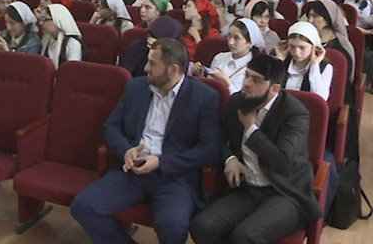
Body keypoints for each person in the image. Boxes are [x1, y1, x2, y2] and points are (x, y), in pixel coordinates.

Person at [72, 38, 220, 244]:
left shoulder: (204, 97)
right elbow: (111, 126)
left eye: (152, 63)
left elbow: (210, 150)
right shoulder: (136, 87)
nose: (145, 68)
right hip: (132, 170)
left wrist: (161, 162)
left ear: (172, 69)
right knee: (83, 206)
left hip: (174, 177)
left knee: (173, 226)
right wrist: (126, 150)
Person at [190, 54, 322, 244]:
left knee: (246, 236)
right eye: (246, 76)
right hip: (247, 188)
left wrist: (251, 129)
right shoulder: (237, 102)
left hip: (284, 192)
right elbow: (217, 138)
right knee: (201, 226)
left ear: (274, 88)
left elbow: (281, 160)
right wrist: (230, 159)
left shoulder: (294, 113)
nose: (246, 83)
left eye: (256, 80)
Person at [194, 18, 264, 95]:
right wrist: (200, 75)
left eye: (237, 38)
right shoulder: (219, 57)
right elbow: (208, 88)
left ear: (250, 43)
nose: (231, 42)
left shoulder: (255, 68)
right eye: (229, 36)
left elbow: (246, 98)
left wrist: (227, 83)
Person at [39, 3, 82, 68]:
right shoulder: (46, 39)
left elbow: (73, 69)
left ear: (57, 21)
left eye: (44, 19)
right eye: (41, 19)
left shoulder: (72, 44)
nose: (40, 23)